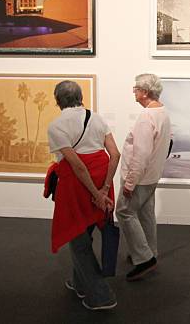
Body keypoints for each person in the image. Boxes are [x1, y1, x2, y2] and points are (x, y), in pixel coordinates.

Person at [47, 80, 120, 310]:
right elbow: (115, 154)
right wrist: (105, 189)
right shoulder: (97, 118)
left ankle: (102, 296)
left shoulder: (57, 125)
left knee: (77, 238)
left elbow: (77, 166)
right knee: (84, 232)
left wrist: (95, 193)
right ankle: (80, 284)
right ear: (80, 96)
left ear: (58, 100)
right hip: (101, 179)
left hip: (79, 185)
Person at [116, 73, 171, 281]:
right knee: (146, 213)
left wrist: (130, 183)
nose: (134, 92)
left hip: (140, 178)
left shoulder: (147, 117)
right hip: (152, 176)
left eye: (136, 89)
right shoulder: (163, 112)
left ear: (145, 92)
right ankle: (151, 252)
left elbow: (141, 154)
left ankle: (144, 258)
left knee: (124, 212)